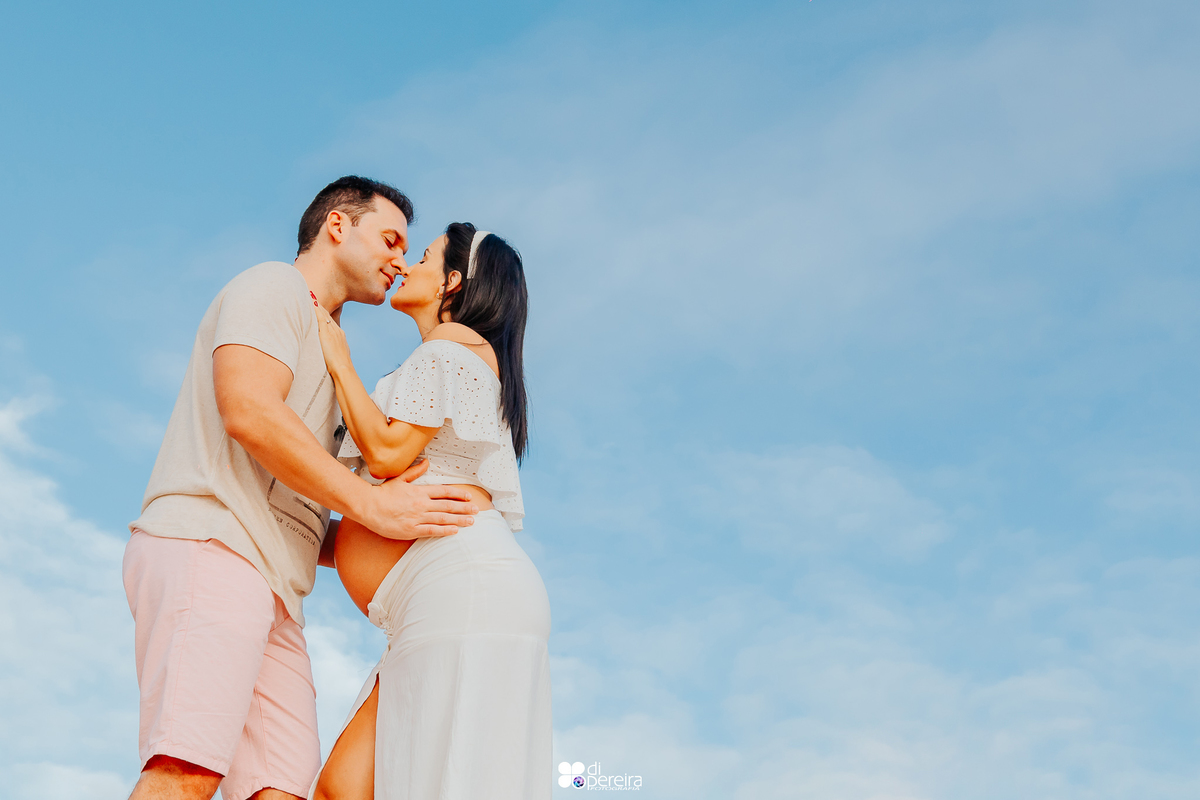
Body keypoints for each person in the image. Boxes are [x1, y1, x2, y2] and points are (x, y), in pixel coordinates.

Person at [122, 176, 479, 800]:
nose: (400, 260)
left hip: (277, 592)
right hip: (214, 546)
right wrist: (373, 504)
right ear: (338, 225)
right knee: (186, 772)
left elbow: (307, 510)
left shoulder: (331, 344)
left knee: (281, 790)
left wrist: (411, 529)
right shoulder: (274, 287)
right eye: (391, 240)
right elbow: (249, 410)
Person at [309, 223, 552, 800]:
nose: (405, 264)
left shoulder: (449, 349)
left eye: (421, 255)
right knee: (343, 786)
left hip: (462, 600)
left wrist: (338, 360)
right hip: (444, 604)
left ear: (450, 281)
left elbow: (388, 455)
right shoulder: (453, 357)